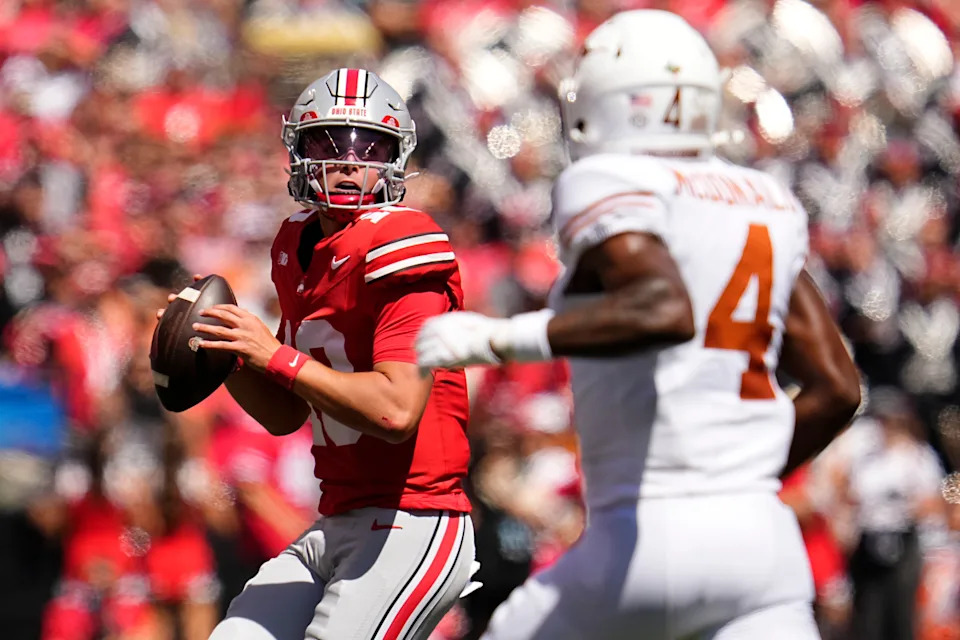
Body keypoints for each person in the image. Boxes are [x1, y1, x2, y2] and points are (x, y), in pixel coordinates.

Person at [416, 10, 862, 640]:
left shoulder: (610, 177)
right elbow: (839, 389)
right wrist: (740, 477)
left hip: (645, 537)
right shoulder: (763, 199)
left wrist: (500, 338)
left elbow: (662, 310)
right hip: (763, 545)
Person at [168, 68, 476, 640]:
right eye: (327, 144)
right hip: (338, 516)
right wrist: (230, 353)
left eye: (370, 147)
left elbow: (394, 412)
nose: (349, 161)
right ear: (297, 152)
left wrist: (275, 356)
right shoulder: (296, 243)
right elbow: (287, 414)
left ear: (396, 157)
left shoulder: (403, 243)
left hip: (414, 520)